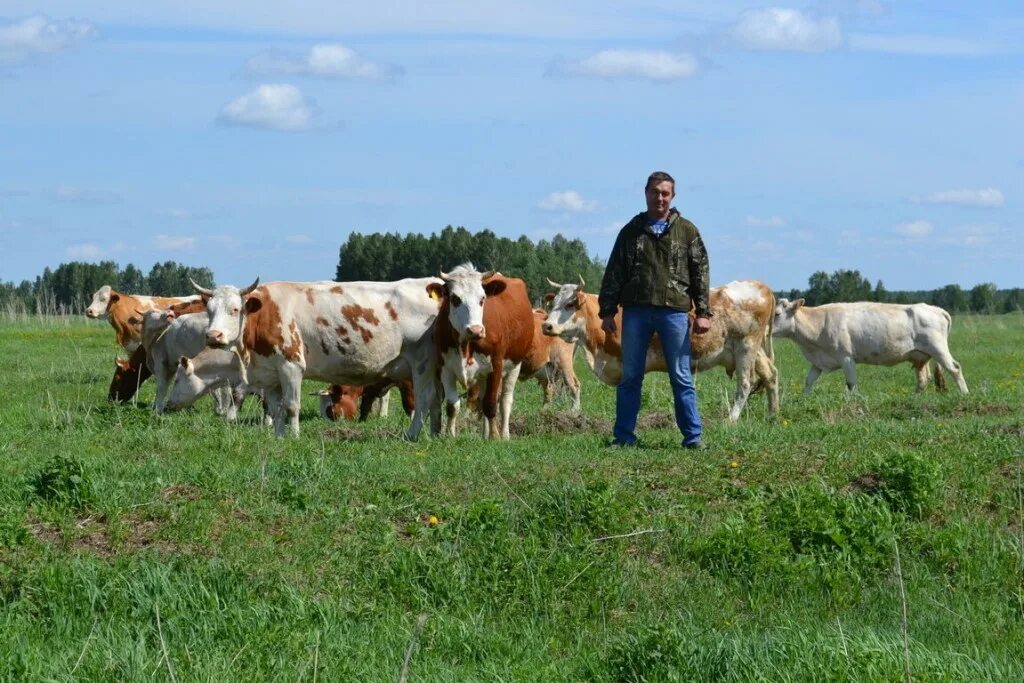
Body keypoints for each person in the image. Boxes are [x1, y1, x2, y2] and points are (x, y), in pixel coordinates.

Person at [598, 171, 712, 449]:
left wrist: (704, 313)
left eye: (665, 193)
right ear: (646, 193)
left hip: (674, 312)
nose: (659, 198)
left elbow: (700, 272)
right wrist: (608, 311)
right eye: (655, 192)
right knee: (630, 377)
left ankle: (693, 437)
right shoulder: (631, 231)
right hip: (636, 312)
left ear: (672, 197)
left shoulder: (687, 231)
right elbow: (615, 270)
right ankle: (624, 437)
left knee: (681, 376)